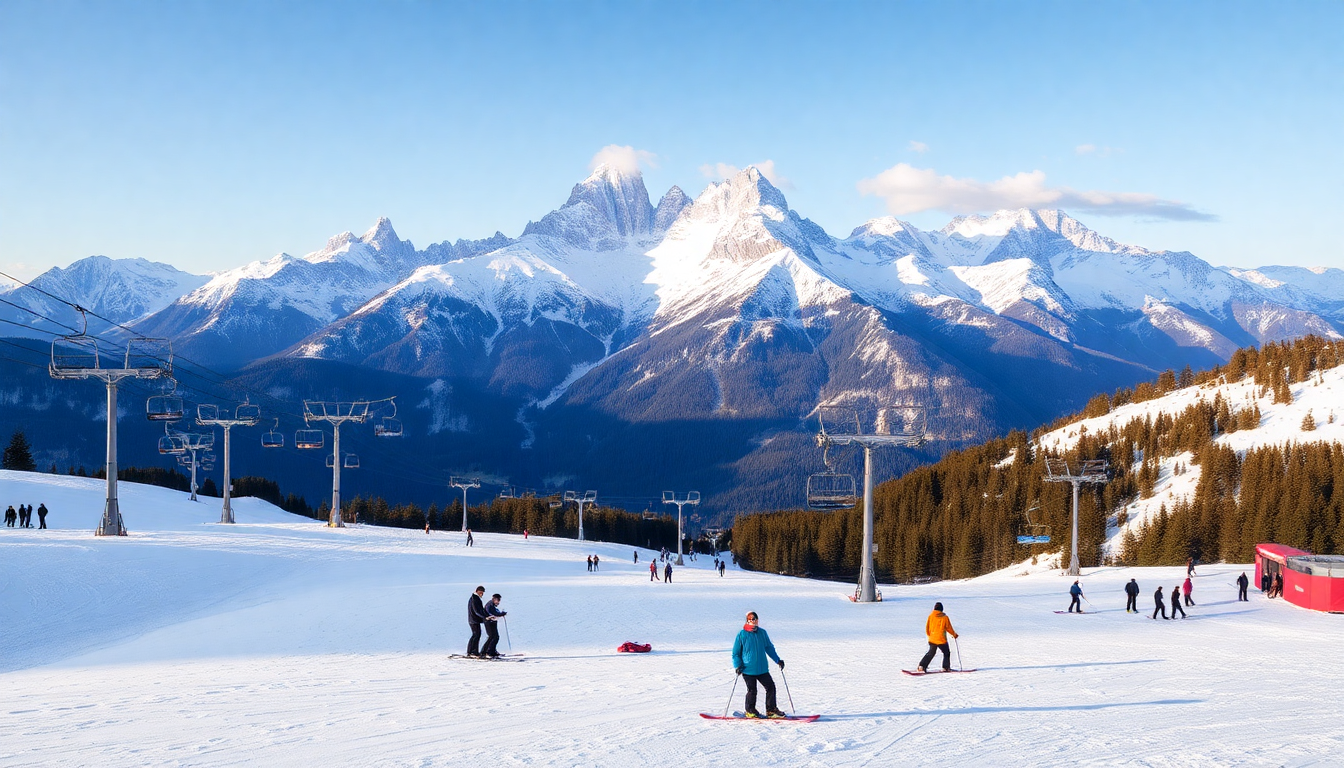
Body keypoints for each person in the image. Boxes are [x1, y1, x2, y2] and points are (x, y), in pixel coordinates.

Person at [731, 611, 785, 718]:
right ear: (747, 620)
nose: (753, 621)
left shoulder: (762, 633)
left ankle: (771, 710)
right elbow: (735, 653)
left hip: (762, 669)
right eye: (751, 619)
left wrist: (777, 660)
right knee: (752, 690)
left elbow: (769, 648)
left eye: (755, 619)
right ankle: (750, 710)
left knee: (770, 687)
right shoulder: (742, 635)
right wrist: (737, 665)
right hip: (747, 669)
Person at [918, 602, 958, 672]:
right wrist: (954, 635)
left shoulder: (931, 616)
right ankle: (945, 667)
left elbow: (927, 627)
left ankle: (922, 666)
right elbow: (949, 628)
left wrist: (930, 635)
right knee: (946, 653)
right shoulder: (945, 617)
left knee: (931, 653)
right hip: (941, 639)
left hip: (932, 638)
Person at [481, 593, 507, 658]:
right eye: (498, 600)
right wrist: (501, 614)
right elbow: (491, 613)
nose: (498, 602)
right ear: (494, 599)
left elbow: (495, 612)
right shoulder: (489, 605)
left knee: (496, 637)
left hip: (493, 622)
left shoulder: (492, 605)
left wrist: (501, 614)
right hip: (489, 622)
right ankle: (487, 651)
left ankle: (492, 651)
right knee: (492, 637)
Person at [466, 586, 489, 657]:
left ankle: (472, 651)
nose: (482, 594)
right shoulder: (475, 598)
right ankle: (472, 651)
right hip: (474, 620)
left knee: (476, 635)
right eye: (481, 592)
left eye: (482, 593)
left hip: (473, 620)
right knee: (476, 635)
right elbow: (477, 611)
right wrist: (485, 617)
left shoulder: (474, 598)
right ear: (477, 591)